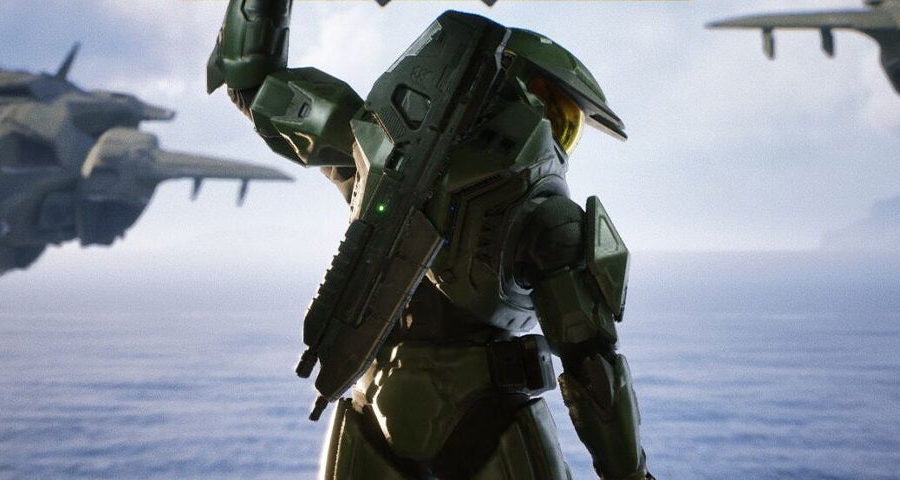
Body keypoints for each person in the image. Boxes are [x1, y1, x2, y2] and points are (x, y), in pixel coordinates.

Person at [208, 1, 654, 478]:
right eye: (557, 115)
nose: (557, 138)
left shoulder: (380, 158)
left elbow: (252, 83)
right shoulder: (546, 219)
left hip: (381, 403)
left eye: (567, 126)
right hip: (480, 415)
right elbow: (594, 368)